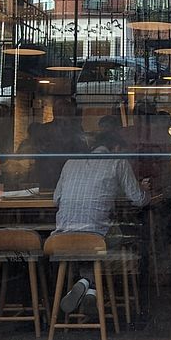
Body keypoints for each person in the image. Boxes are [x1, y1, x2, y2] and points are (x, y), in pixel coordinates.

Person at [53, 131, 152, 315]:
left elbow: (56, 199)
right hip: (97, 237)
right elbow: (138, 199)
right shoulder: (117, 162)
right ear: (116, 148)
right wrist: (145, 190)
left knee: (88, 244)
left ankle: (87, 285)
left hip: (62, 236)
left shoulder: (70, 162)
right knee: (114, 236)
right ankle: (89, 285)